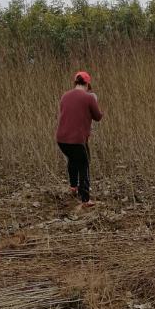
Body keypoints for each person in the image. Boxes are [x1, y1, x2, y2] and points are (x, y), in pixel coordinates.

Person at [56, 70, 103, 207]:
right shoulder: (89, 98)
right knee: (84, 164)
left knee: (72, 159)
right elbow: (98, 117)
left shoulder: (65, 96)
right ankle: (85, 199)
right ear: (88, 84)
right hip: (77, 140)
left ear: (75, 82)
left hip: (61, 139)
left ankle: (73, 187)